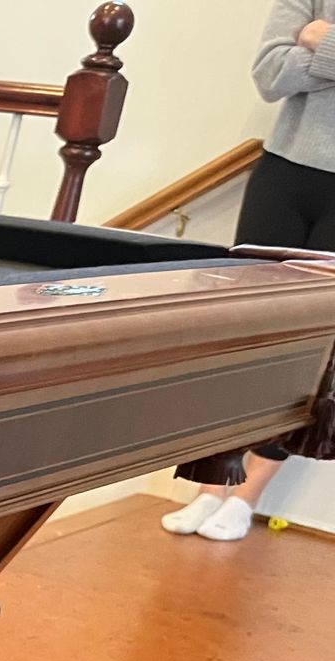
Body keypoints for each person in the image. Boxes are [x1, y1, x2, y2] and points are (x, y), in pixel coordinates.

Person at [164, 0, 335, 540]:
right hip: (283, 172)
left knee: (313, 343)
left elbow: (297, 60)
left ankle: (247, 495)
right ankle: (211, 485)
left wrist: (320, 41)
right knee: (244, 327)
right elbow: (270, 74)